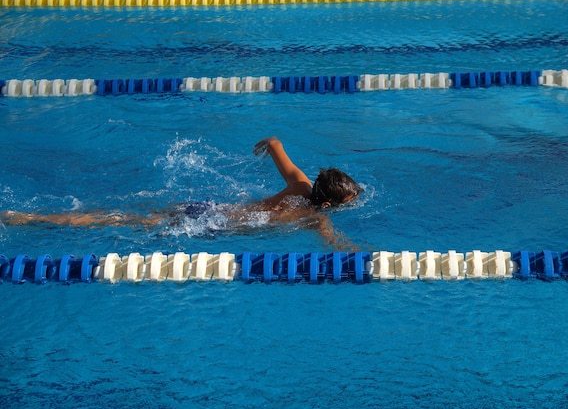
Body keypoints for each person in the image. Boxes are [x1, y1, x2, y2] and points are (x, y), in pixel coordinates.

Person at [1, 137, 361, 249]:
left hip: (208, 207)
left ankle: (34, 218)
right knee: (116, 222)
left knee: (126, 216)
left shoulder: (299, 184)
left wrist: (267, 143)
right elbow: (337, 242)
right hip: (211, 224)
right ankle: (31, 219)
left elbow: (276, 144)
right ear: (327, 204)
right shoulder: (312, 218)